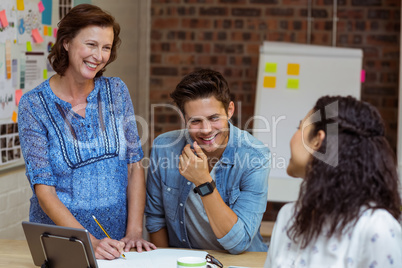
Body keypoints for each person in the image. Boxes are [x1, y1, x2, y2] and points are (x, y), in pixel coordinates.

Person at [18, 4, 156, 260]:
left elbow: (134, 165)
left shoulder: (116, 91)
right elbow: (44, 190)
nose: (99, 55)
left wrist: (135, 230)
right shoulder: (33, 104)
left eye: (106, 47)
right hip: (61, 245)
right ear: (67, 43)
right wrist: (88, 241)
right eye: (91, 45)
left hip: (118, 244)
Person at [264, 96, 402, 267]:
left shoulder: (376, 227)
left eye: (299, 128)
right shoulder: (288, 216)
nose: (292, 138)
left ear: (317, 141)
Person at [145, 69, 270, 254]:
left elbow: (239, 243)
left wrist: (202, 181)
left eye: (214, 118)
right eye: (195, 121)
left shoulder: (255, 157)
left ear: (229, 110)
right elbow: (156, 219)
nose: (206, 130)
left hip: (240, 263)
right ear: (183, 118)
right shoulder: (164, 148)